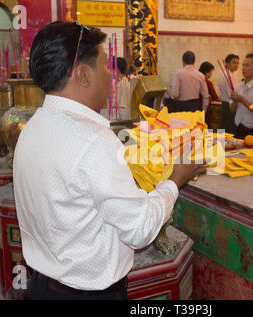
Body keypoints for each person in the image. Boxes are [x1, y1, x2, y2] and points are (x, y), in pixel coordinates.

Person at [14, 21, 205, 300]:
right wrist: (176, 178)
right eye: (104, 65)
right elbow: (140, 229)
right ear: (82, 75)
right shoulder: (93, 139)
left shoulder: (31, 128)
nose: (110, 76)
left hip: (43, 287)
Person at [219, 54, 239, 134]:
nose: (236, 65)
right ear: (226, 64)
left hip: (226, 105)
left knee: (224, 130)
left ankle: (221, 146)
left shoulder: (226, 74)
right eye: (234, 63)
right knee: (229, 131)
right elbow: (232, 94)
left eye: (237, 63)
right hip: (229, 106)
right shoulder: (228, 76)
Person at [199, 61, 219, 125]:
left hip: (194, 106)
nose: (211, 74)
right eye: (211, 72)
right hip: (205, 107)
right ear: (206, 72)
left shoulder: (195, 79)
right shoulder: (208, 82)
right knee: (206, 125)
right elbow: (215, 96)